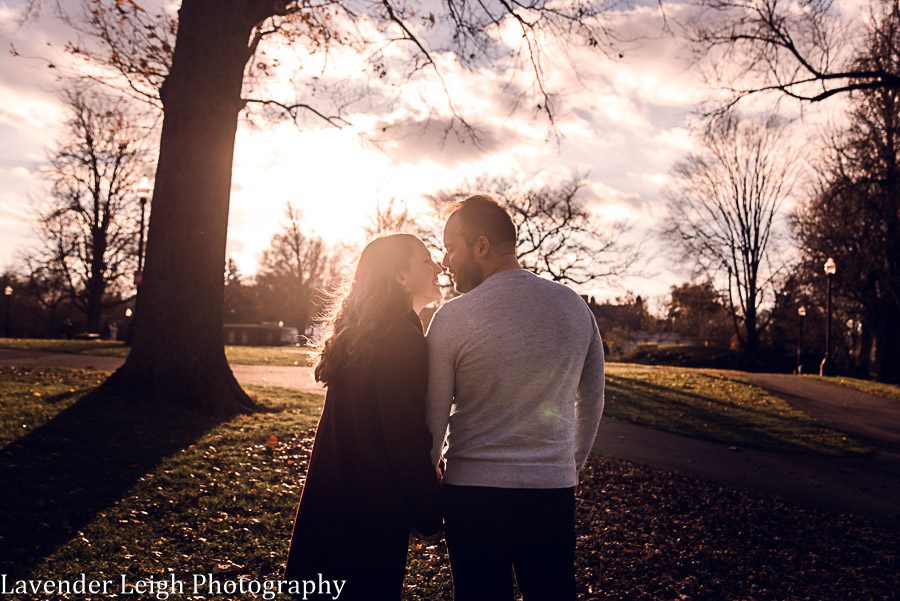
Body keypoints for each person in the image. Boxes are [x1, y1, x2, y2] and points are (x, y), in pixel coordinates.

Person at [426, 195, 605, 601]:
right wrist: (568, 466)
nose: (445, 261)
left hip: (472, 496)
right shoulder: (574, 307)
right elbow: (593, 400)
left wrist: (425, 495)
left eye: (451, 248)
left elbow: (432, 425)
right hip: (551, 494)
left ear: (481, 246)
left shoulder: (451, 317)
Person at [283, 234, 444, 600]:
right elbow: (404, 436)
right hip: (368, 515)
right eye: (426, 260)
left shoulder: (369, 333)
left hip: (334, 502)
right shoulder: (401, 338)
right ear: (400, 277)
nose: (437, 267)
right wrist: (429, 509)